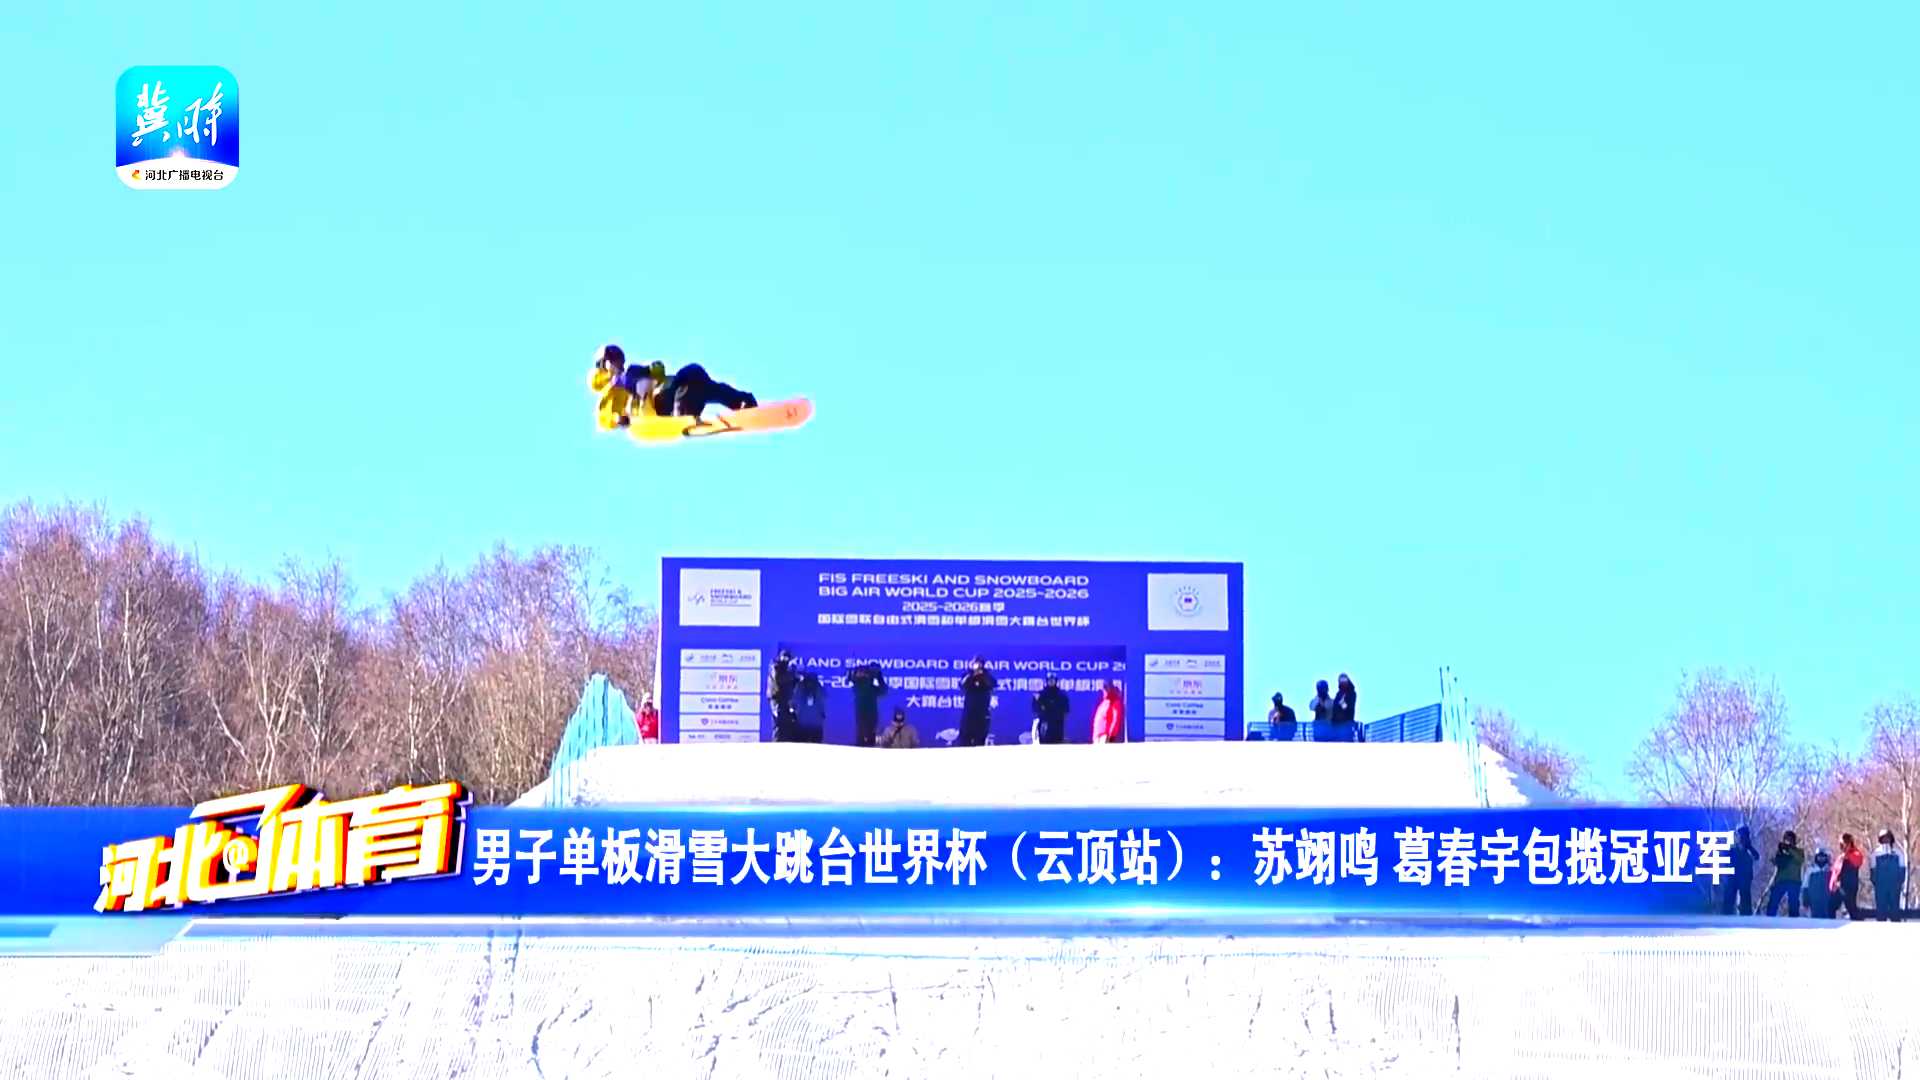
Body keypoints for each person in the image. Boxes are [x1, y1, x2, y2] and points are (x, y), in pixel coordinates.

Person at [591, 343, 757, 427]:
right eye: (614, 360)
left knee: (695, 373)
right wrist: (618, 419)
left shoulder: (631, 371)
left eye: (620, 359)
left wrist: (653, 369)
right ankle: (681, 409)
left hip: (667, 393)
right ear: (604, 364)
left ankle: (741, 401)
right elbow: (603, 417)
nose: (619, 363)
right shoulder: (612, 389)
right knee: (686, 386)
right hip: (655, 409)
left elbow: (658, 374)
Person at [957, 658, 997, 747]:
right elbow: (962, 684)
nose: (977, 666)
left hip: (982, 713)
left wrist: (983, 674)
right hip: (969, 713)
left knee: (980, 739)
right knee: (965, 739)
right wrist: (971, 674)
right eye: (975, 664)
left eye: (979, 664)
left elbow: (993, 684)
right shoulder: (968, 675)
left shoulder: (986, 675)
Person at [1764, 831, 1805, 917]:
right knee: (1773, 903)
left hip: (1794, 881)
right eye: (1786, 839)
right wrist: (1778, 856)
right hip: (1781, 880)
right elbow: (1777, 863)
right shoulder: (1780, 852)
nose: (1788, 841)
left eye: (1790, 839)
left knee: (1793, 904)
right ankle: (1769, 920)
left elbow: (1800, 860)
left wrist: (1789, 849)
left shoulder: (1799, 851)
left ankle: (1794, 921)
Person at [849, 662, 889, 748]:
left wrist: (877, 676)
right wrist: (878, 677)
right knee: (865, 739)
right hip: (866, 715)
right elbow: (883, 690)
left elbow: (883, 691)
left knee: (867, 738)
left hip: (868, 715)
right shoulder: (861, 686)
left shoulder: (864, 686)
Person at [1722, 825, 1759, 916]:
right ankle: (1726, 916)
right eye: (1740, 835)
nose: (1742, 838)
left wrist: (1749, 847)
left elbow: (1756, 857)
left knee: (1745, 898)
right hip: (1733, 876)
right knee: (1729, 898)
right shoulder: (1733, 848)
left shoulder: (1748, 849)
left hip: (1745, 877)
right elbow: (1725, 857)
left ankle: (1746, 917)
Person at [1871, 831, 1906, 922]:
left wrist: (1899, 882)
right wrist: (1876, 883)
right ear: (1880, 839)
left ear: (1891, 839)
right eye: (1883, 838)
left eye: (1888, 837)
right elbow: (1873, 870)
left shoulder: (1898, 853)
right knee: (1881, 910)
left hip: (1894, 886)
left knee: (1895, 910)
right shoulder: (1876, 853)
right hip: (1881, 886)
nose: (1886, 840)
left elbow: (1902, 869)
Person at [767, 649, 799, 742]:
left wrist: (795, 678)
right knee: (778, 723)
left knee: (786, 724)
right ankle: (777, 743)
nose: (786, 660)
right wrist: (792, 674)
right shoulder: (776, 667)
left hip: (785, 700)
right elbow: (779, 679)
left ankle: (785, 742)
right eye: (784, 658)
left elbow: (789, 683)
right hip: (776, 699)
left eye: (787, 658)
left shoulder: (786, 669)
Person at [1032, 673, 1071, 745]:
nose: (1051, 682)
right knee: (1044, 744)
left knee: (1057, 744)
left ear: (1056, 681)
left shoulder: (1061, 695)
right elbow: (1036, 709)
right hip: (1045, 723)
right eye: (1049, 680)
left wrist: (1048, 707)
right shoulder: (1041, 694)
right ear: (1046, 681)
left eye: (1053, 680)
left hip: (1057, 724)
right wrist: (1039, 702)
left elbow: (1066, 709)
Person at [1836, 834, 1867, 920]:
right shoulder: (1840, 857)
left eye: (1847, 842)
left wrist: (1847, 855)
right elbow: (1835, 871)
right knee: (1832, 905)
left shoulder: (1856, 853)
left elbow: (1858, 862)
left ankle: (1857, 920)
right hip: (1840, 885)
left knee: (1850, 905)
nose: (1845, 845)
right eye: (1843, 843)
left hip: (1850, 885)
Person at [793, 671, 828, 743]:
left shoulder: (800, 686)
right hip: (816, 723)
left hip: (802, 722)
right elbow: (822, 702)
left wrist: (795, 712)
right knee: (816, 743)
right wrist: (822, 713)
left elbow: (794, 701)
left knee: (802, 743)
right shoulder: (819, 687)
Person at [1804, 849, 1837, 919]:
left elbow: (1835, 885)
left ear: (1826, 858)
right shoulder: (1811, 870)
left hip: (1827, 900)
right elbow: (1805, 885)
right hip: (1814, 900)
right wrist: (1805, 899)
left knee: (1828, 918)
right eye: (1819, 857)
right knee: (1815, 919)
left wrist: (1835, 899)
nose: (1821, 859)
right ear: (1816, 857)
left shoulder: (1831, 870)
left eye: (1823, 857)